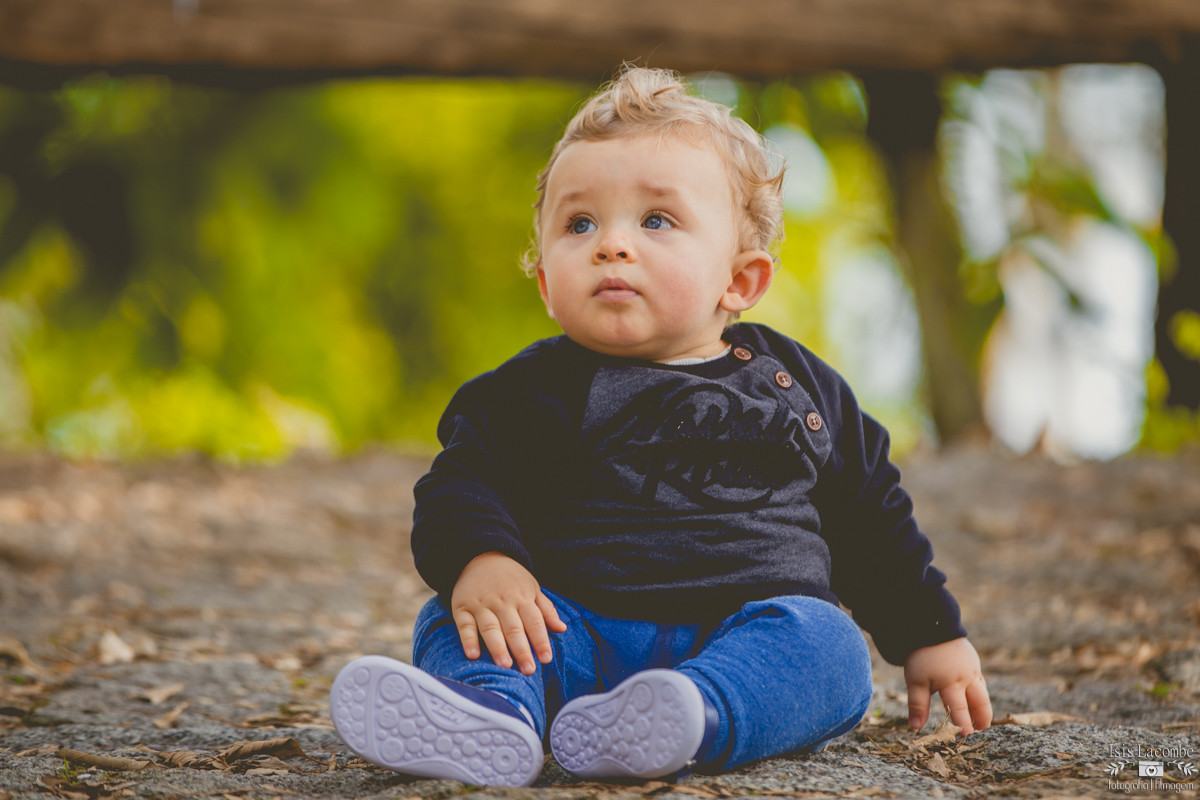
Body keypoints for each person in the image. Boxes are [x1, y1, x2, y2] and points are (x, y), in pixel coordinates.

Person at [329, 65, 992, 787]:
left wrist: (930, 633)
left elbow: (871, 513)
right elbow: (461, 484)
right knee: (460, 616)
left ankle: (692, 715)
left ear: (739, 280)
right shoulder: (535, 390)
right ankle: (490, 712)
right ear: (547, 284)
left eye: (656, 221)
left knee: (830, 650)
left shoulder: (798, 385)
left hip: (747, 636)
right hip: (571, 635)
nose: (611, 244)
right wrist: (484, 561)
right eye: (579, 224)